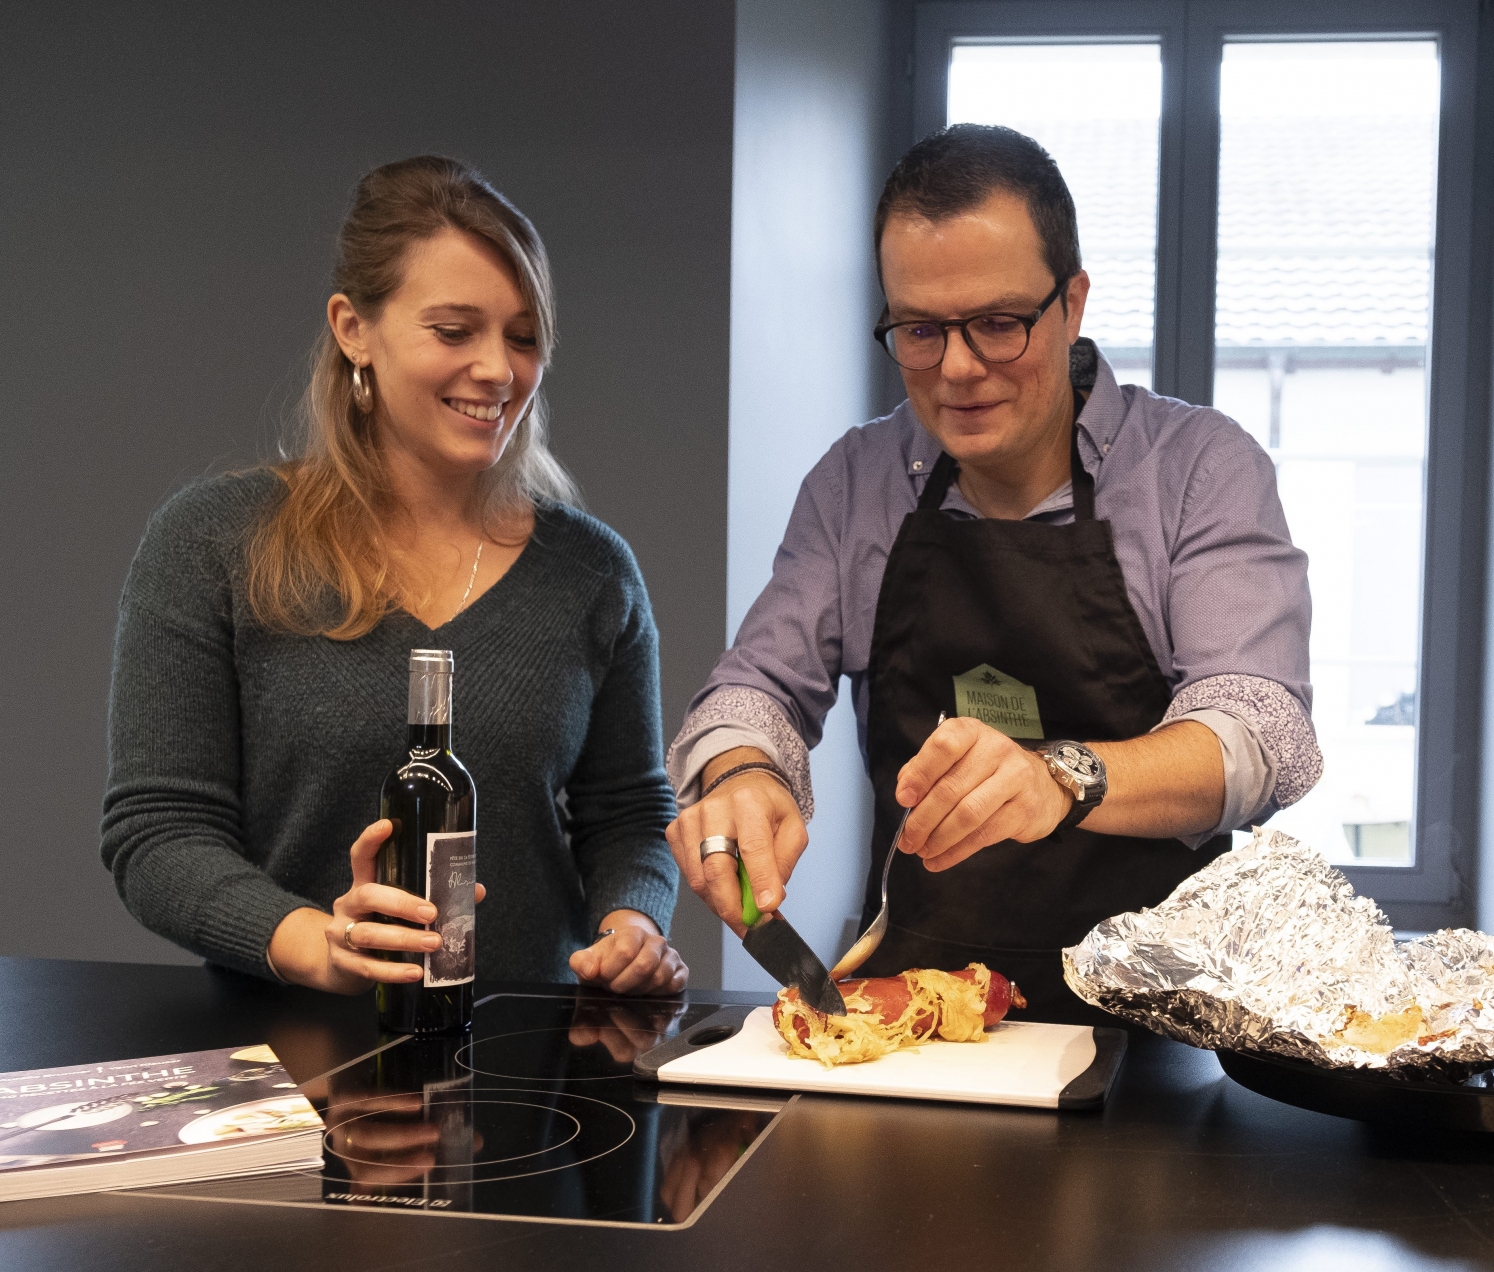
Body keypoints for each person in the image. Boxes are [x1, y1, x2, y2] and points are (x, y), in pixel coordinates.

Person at [665, 126, 1317, 1023]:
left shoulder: (1198, 470)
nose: (959, 369)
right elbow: (755, 690)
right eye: (921, 331)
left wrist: (1062, 776)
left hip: (1164, 1027)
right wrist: (743, 774)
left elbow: (1258, 733)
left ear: (1073, 303)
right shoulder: (858, 482)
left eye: (999, 324)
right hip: (925, 1015)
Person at [102, 156, 686, 996]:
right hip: (286, 1065)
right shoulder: (211, 542)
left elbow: (628, 815)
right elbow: (157, 834)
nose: (497, 370)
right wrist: (316, 942)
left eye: (523, 337)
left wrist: (632, 921)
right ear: (353, 328)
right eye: (454, 331)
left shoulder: (593, 572)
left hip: (528, 1066)